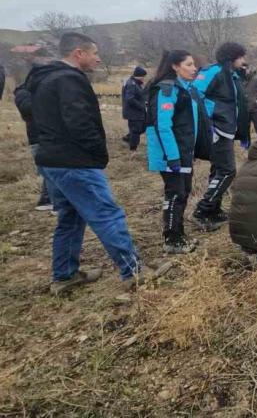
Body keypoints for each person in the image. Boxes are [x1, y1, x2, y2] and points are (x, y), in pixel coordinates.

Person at [28, 32, 167, 295]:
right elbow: (80, 124)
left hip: (52, 159)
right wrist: (97, 155)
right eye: (94, 53)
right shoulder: (69, 80)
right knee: (106, 213)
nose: (98, 58)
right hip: (74, 162)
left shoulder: (44, 78)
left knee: (70, 217)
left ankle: (65, 276)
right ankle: (134, 272)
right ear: (78, 53)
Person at [145, 50, 213, 254]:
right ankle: (172, 239)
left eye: (194, 64)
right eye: (189, 65)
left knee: (183, 192)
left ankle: (178, 234)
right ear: (175, 66)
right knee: (175, 193)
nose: (194, 69)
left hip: (183, 151)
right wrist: (173, 157)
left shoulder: (186, 88)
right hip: (171, 154)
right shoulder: (167, 89)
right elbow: (163, 126)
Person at [191, 42, 250, 231]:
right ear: (231, 57)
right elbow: (194, 94)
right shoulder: (212, 72)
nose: (244, 60)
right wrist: (209, 123)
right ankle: (202, 210)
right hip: (216, 131)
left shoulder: (232, 75)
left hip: (227, 130)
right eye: (241, 57)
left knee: (218, 169)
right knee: (227, 171)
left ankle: (214, 209)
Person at [14, 59, 53, 211]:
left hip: (50, 136)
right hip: (38, 138)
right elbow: (27, 109)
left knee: (51, 171)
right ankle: (48, 201)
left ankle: (48, 200)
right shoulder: (23, 92)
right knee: (49, 171)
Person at [121, 66, 148, 152]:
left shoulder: (137, 83)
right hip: (133, 113)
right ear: (139, 76)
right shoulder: (131, 84)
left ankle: (129, 138)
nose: (144, 78)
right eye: (143, 76)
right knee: (136, 130)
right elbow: (130, 99)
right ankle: (133, 149)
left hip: (138, 112)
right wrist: (141, 106)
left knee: (143, 127)